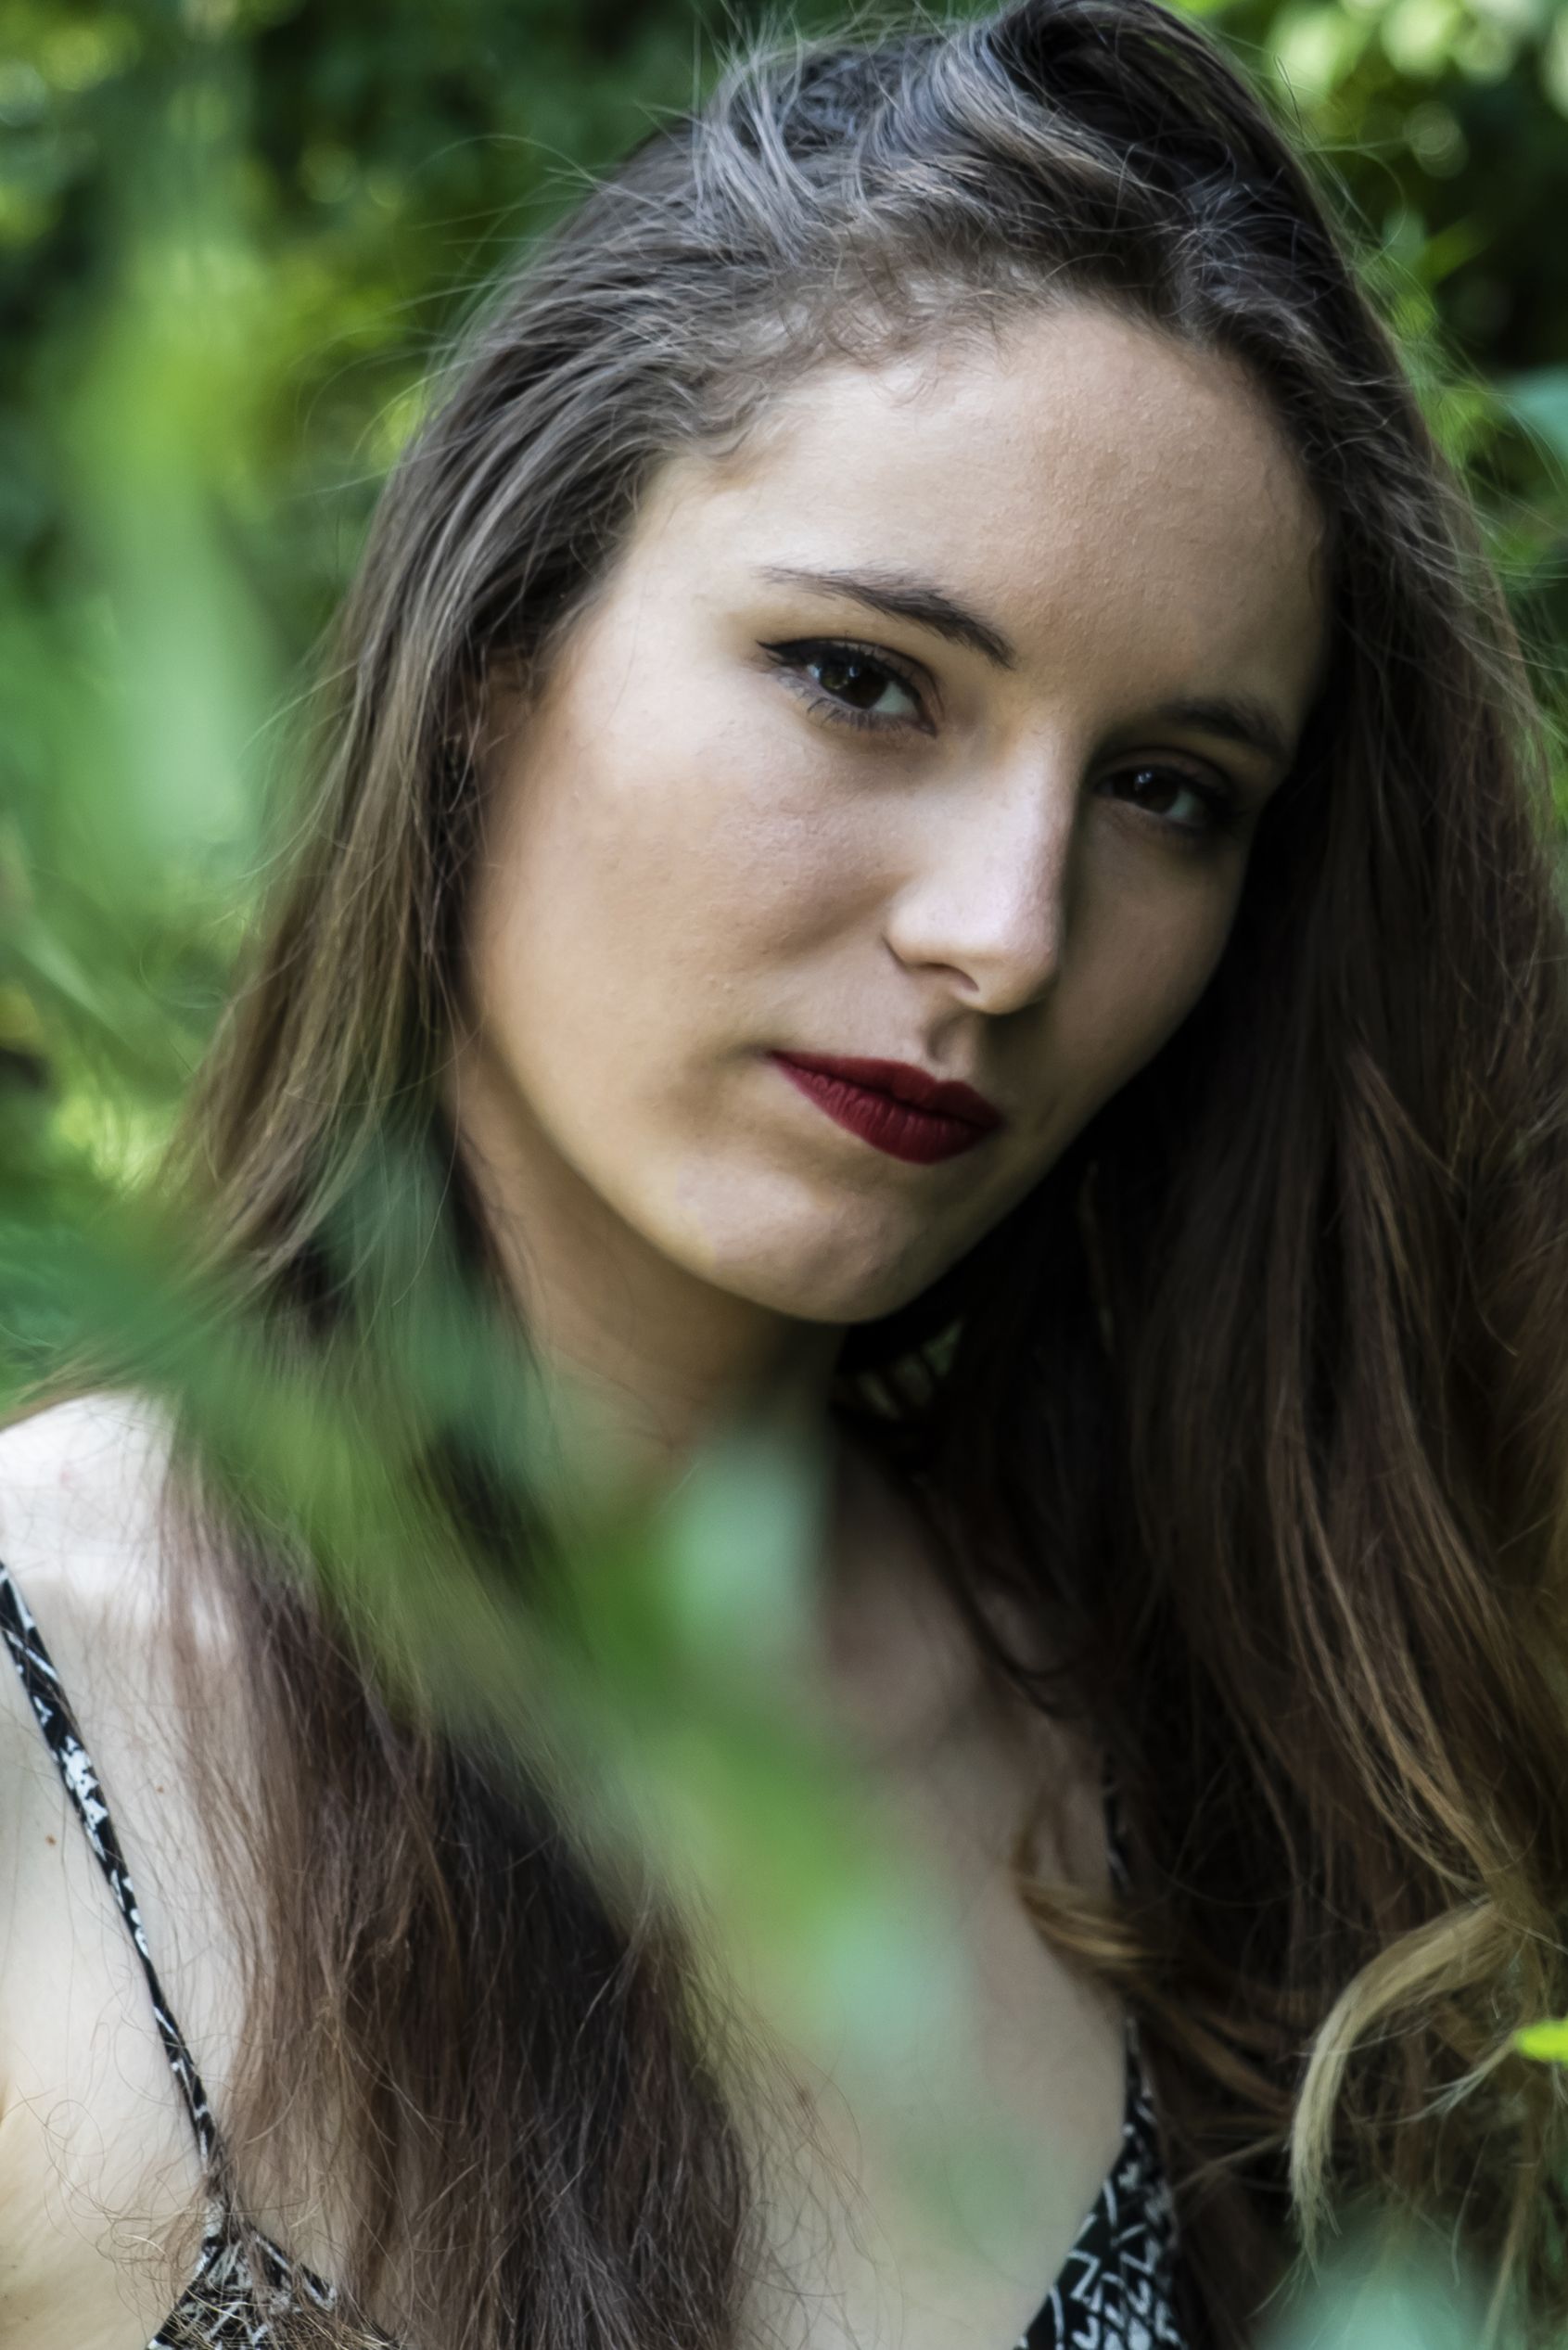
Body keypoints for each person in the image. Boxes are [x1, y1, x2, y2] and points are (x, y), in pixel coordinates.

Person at [4, 1, 1568, 2344]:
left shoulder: (1204, 1763)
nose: (1007, 931)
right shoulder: (41, 1719)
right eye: (863, 678)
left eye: (1167, 791)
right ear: (499, 654)